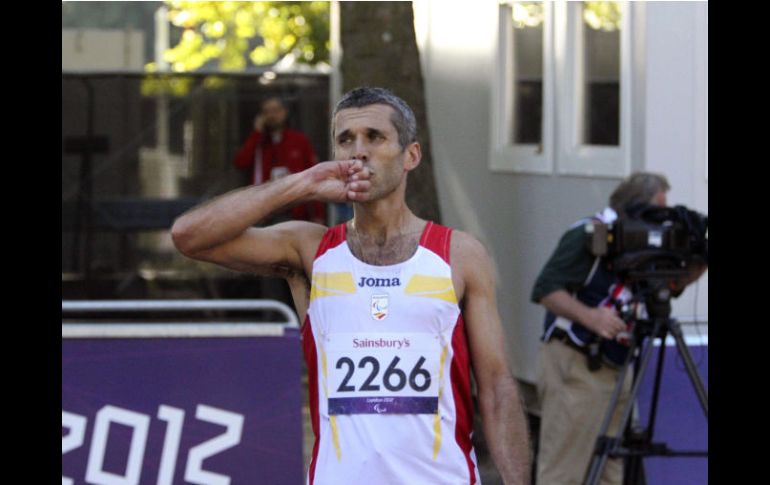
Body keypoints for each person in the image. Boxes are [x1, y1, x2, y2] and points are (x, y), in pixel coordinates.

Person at [172, 87, 531, 485]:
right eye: (346, 140)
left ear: (410, 155)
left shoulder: (460, 255)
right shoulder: (309, 249)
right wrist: (302, 185)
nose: (358, 151)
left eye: (374, 137)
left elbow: (497, 386)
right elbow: (190, 237)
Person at [530, 172, 707, 485]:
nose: (661, 220)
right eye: (657, 211)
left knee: (611, 472)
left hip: (617, 368)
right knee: (564, 471)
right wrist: (591, 317)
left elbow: (670, 285)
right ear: (634, 206)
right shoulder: (591, 232)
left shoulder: (643, 250)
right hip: (578, 364)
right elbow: (546, 289)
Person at [233, 96, 325, 224]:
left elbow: (315, 176)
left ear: (284, 112)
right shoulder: (258, 141)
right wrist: (257, 133)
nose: (271, 115)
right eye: (266, 112)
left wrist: (318, 215)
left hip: (295, 210)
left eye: (275, 110)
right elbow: (240, 163)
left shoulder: (299, 140)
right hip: (264, 211)